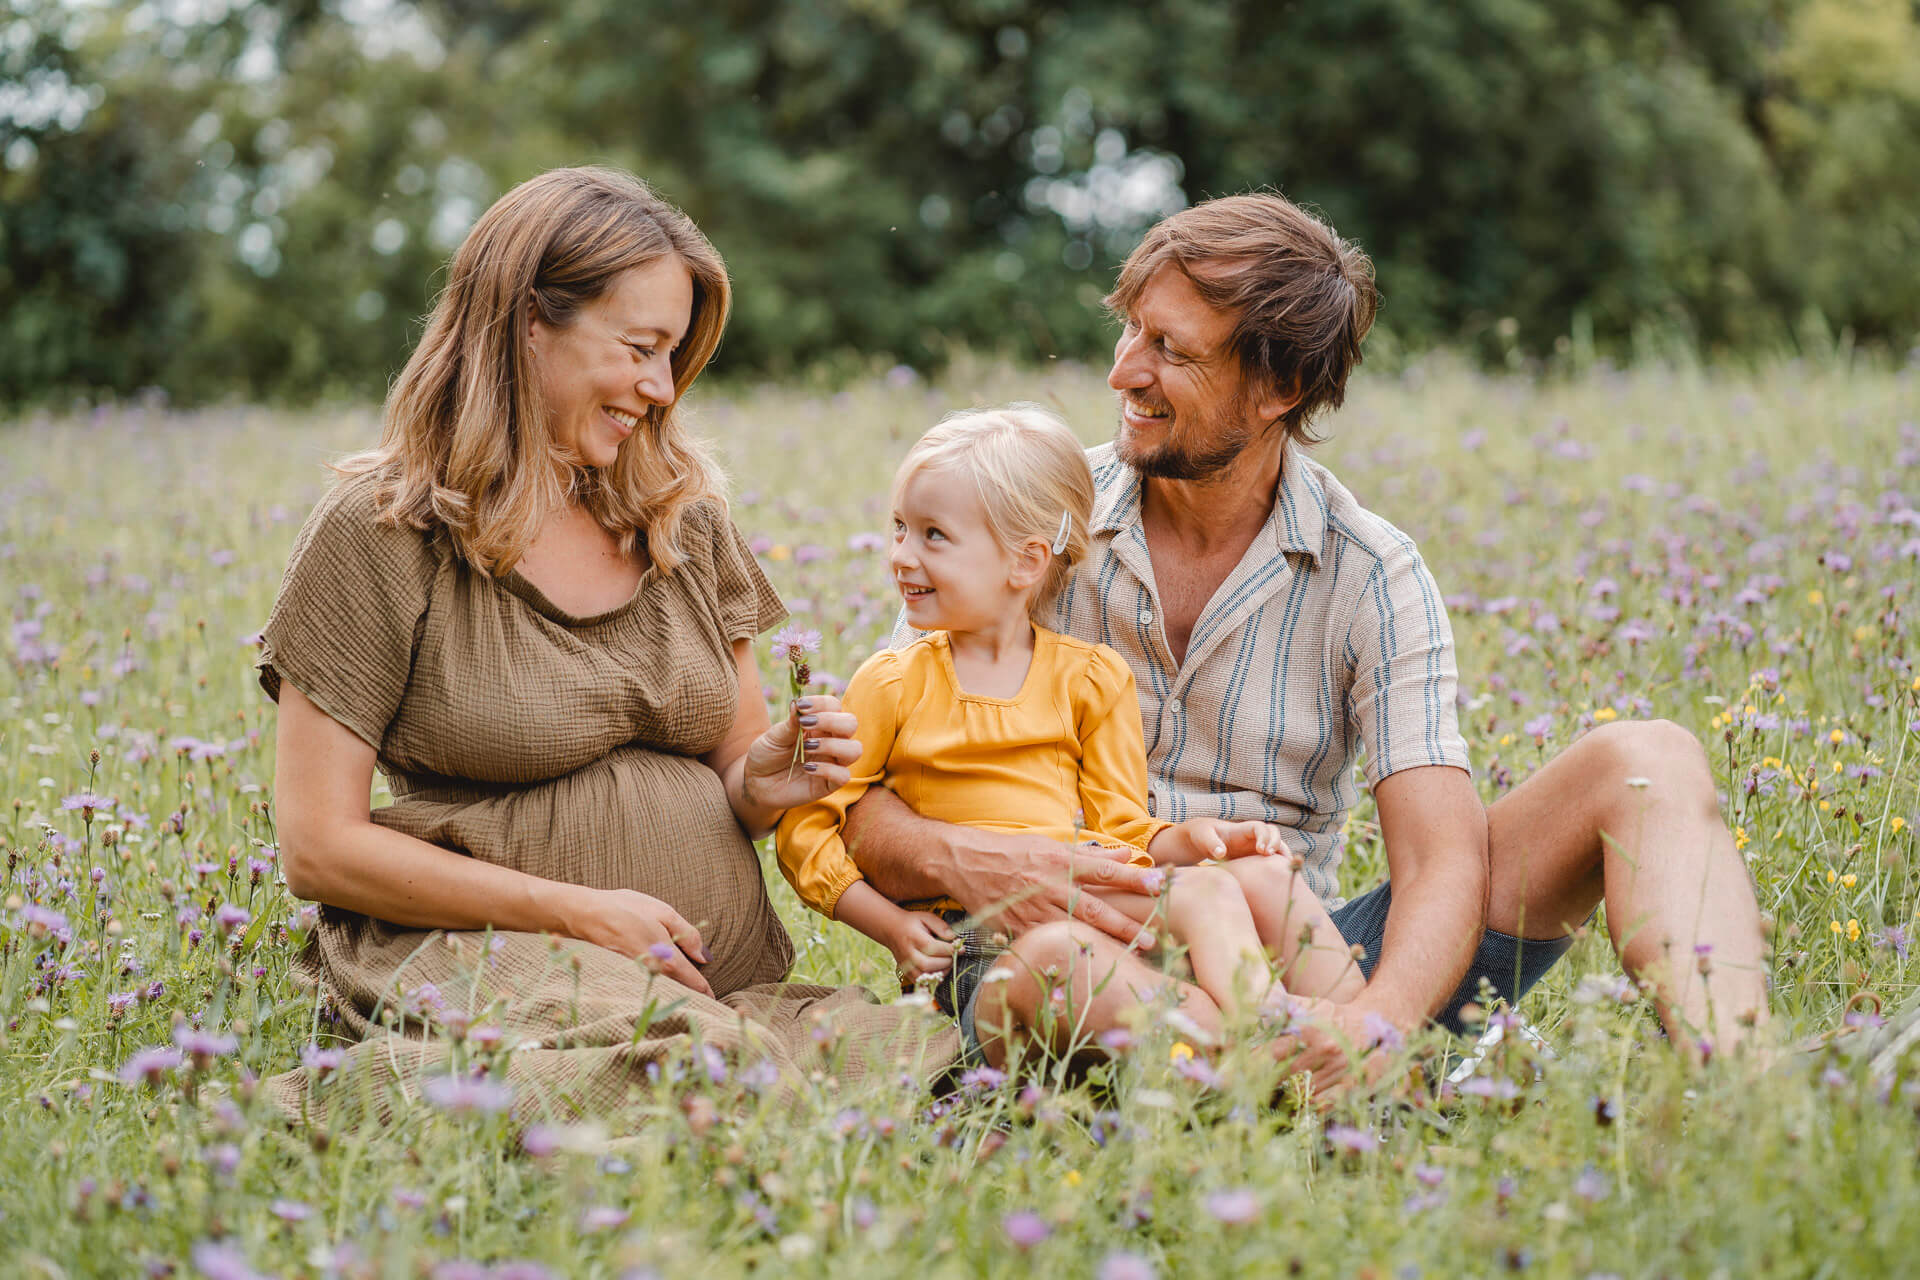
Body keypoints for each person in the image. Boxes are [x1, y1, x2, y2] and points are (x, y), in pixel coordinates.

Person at [841, 193, 1773, 1089]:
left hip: (1300, 958)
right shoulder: (1027, 519)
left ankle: (1744, 1091)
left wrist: (1378, 1020)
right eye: (1131, 329)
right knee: (1053, 966)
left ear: (1277, 389)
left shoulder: (1370, 571)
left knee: (1645, 759)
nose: (1125, 370)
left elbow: (1443, 859)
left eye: (1171, 349)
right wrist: (986, 862)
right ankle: (1336, 1091)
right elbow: (862, 805)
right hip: (1070, 958)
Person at [258, 166, 950, 1126]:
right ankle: (325, 1109)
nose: (660, 389)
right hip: (489, 950)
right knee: (699, 1075)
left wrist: (771, 776)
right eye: (640, 348)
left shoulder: (681, 519)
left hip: (707, 976)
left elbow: (736, 785)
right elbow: (318, 850)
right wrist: (578, 910)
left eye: (673, 357)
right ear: (527, 321)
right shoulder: (382, 532)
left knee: (938, 1059)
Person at [775, 406, 1366, 1045]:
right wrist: (888, 924)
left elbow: (1125, 831)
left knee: (1259, 879)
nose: (900, 556)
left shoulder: (1089, 680)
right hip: (976, 948)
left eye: (932, 535)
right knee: (1106, 937)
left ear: (1026, 562)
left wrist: (1194, 839)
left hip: (1081, 904)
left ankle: (1371, 1044)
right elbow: (811, 824)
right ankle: (1272, 1045)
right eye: (898, 528)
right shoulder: (893, 682)